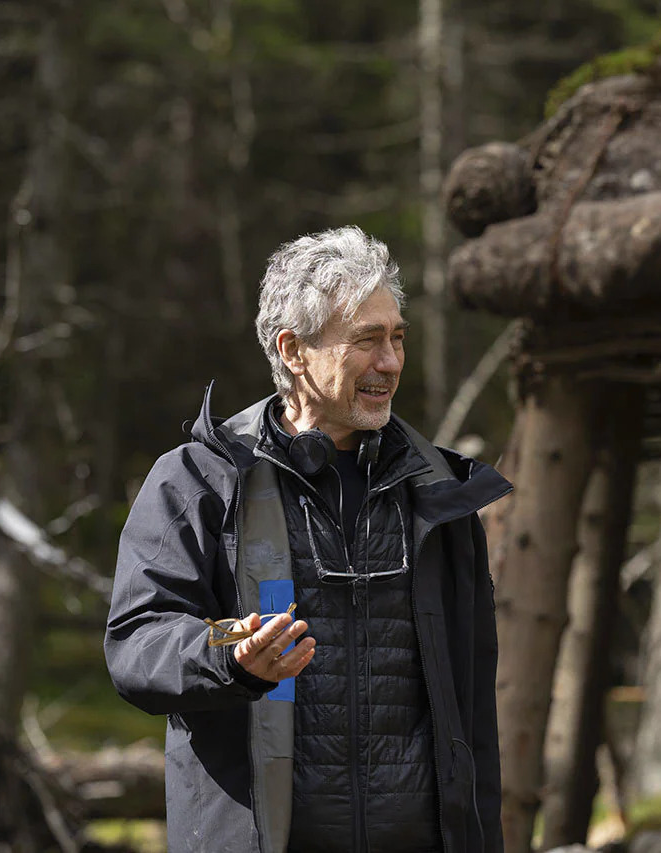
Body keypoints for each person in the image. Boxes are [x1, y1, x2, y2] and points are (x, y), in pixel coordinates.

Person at [105, 226, 510, 853]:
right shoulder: (200, 480)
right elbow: (137, 643)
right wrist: (228, 654)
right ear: (294, 351)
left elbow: (474, 718)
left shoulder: (440, 496)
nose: (392, 362)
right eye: (368, 340)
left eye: (398, 337)